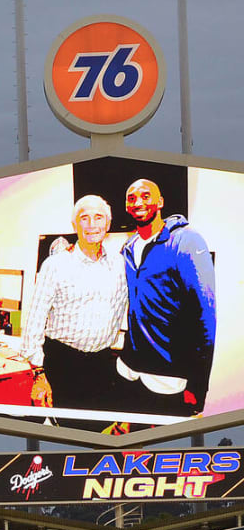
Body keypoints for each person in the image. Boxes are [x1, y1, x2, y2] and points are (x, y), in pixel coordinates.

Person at [115, 177, 216, 418]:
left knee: (165, 447)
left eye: (145, 195)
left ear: (160, 202)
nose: (138, 202)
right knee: (133, 446)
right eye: (131, 198)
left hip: (168, 378)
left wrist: (198, 383)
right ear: (127, 207)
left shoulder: (186, 241)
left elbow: (205, 316)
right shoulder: (128, 246)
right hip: (130, 370)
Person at [19, 195, 126, 411]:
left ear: (108, 224)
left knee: (96, 430)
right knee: (66, 429)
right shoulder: (55, 265)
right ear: (74, 224)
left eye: (98, 217)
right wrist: (39, 373)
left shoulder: (120, 265)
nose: (92, 224)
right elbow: (34, 322)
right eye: (84, 218)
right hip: (62, 362)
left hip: (103, 363)